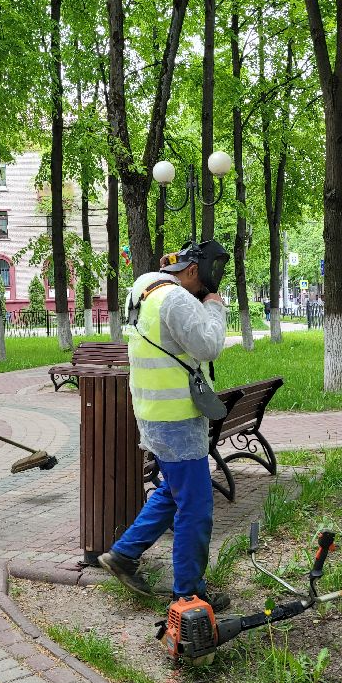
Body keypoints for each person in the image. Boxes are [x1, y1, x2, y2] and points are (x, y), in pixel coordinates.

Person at [98, 240, 231, 612]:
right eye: (202, 281)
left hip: (154, 412)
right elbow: (209, 346)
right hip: (177, 418)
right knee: (196, 506)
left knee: (173, 491)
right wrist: (216, 308)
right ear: (191, 272)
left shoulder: (143, 290)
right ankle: (188, 593)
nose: (202, 289)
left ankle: (123, 555)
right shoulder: (174, 299)